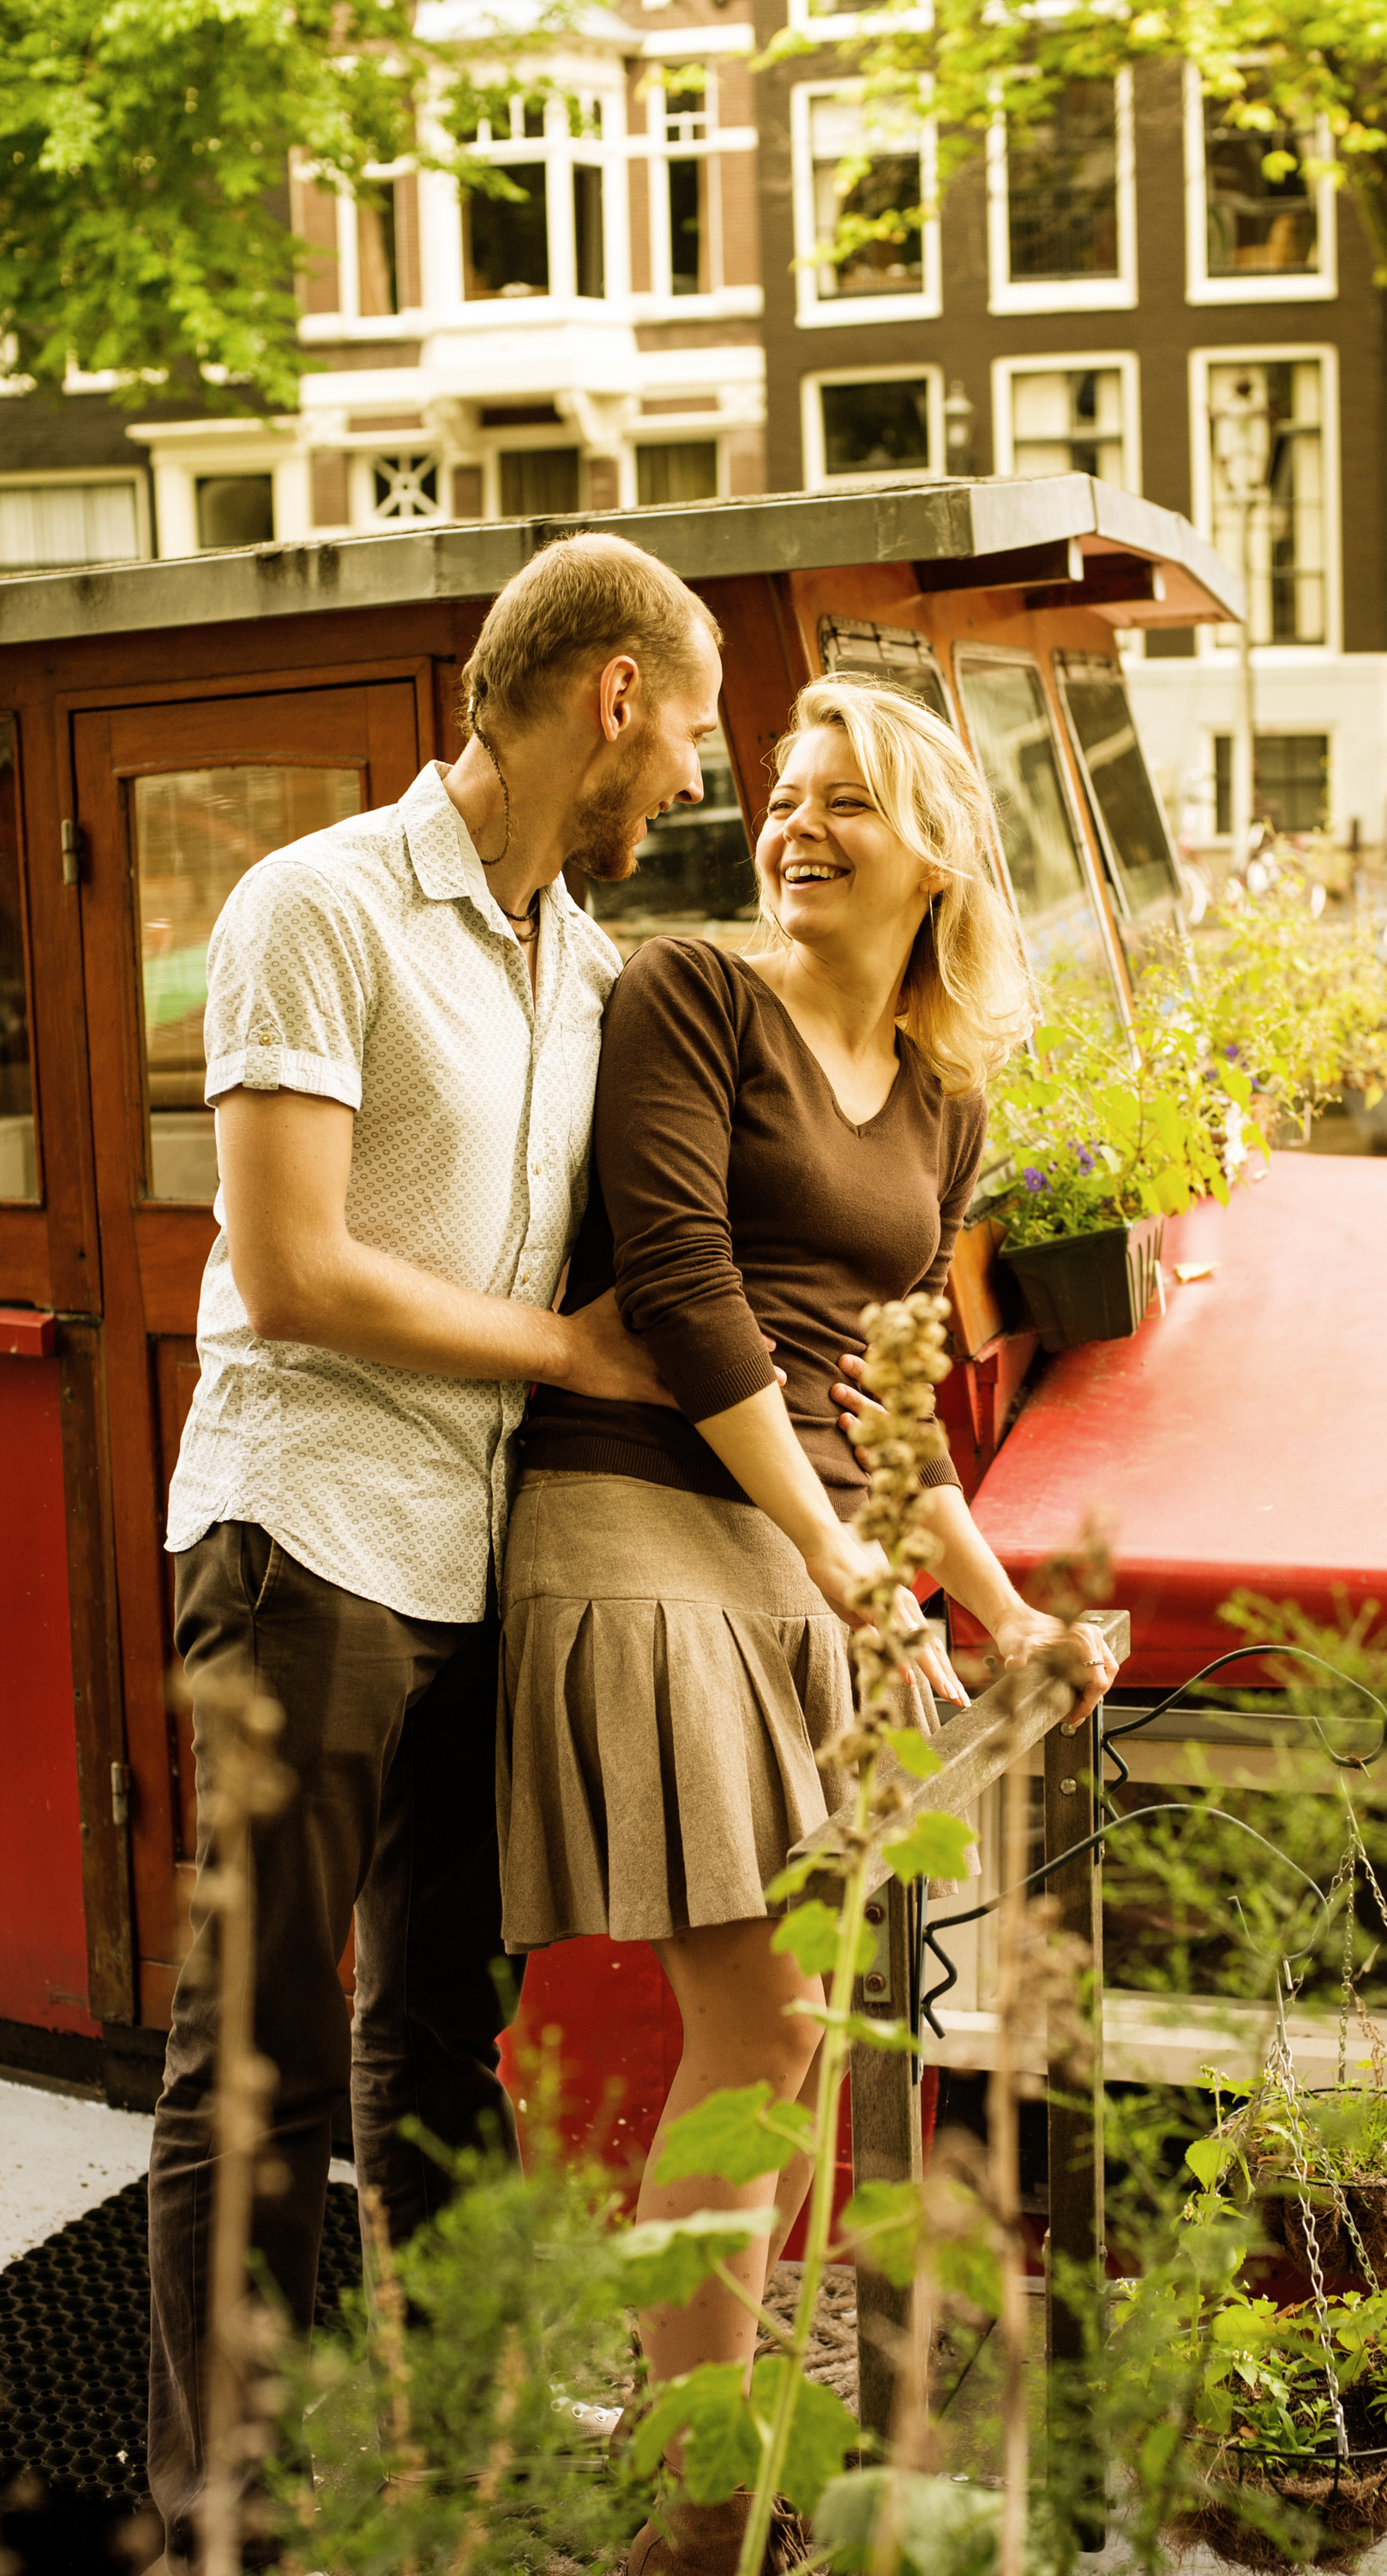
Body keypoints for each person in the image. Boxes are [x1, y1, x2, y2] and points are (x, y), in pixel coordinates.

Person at [497, 676, 1120, 2576]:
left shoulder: (945, 1100)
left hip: (805, 1551)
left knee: (801, 2038)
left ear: (935, 858)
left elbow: (887, 1393)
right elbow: (686, 1289)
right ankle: (705, 2510)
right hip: (641, 1515)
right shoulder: (690, 992)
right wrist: (848, 1563)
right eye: (780, 789)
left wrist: (1000, 1606)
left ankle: (704, 2438)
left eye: (844, 798)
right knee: (763, 2020)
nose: (792, 823)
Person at [150, 532, 723, 2569]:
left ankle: (453, 2434)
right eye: (694, 729)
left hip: (477, 1561)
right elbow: (290, 1268)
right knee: (260, 2047)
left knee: (441, 2033)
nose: (695, 778)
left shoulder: (588, 968)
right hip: (304, 1531)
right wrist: (569, 1352)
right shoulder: (316, 906)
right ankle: (222, 2509)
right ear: (614, 696)